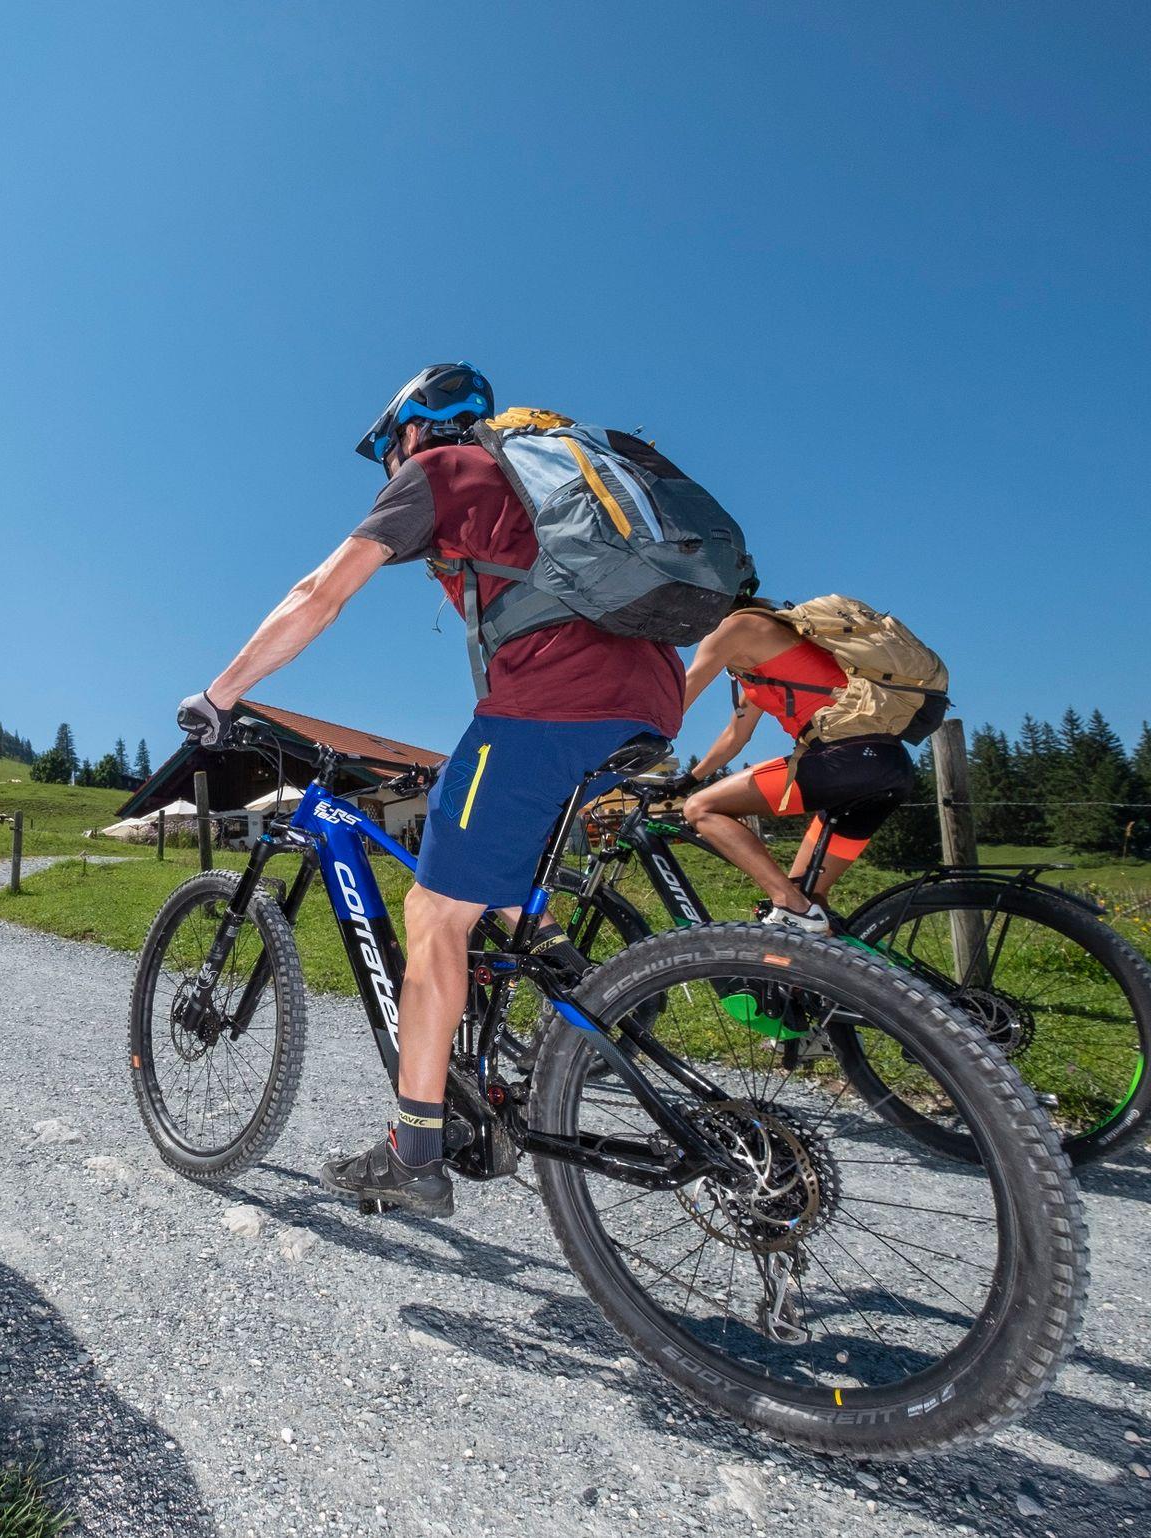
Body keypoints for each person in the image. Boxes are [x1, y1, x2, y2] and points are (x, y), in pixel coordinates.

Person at [176, 364, 684, 1217]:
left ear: (412, 430)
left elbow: (319, 594)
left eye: (389, 450)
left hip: (554, 704)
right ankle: (588, 1007)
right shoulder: (536, 486)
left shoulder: (442, 470)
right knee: (489, 861)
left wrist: (221, 694)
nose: (391, 467)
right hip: (651, 698)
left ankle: (414, 1152)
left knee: (433, 913)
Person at [675, 601, 915, 932]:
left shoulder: (737, 625)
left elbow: (685, 689)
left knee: (700, 808)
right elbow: (735, 736)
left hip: (847, 758)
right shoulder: (764, 664)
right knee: (808, 904)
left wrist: (629, 743)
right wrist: (688, 779)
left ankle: (788, 904)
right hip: (888, 765)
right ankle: (834, 953)